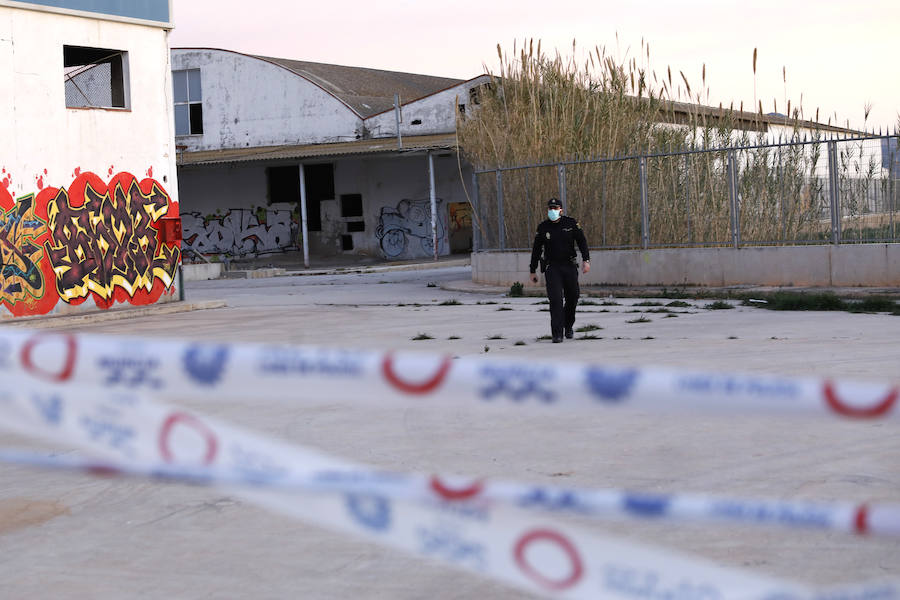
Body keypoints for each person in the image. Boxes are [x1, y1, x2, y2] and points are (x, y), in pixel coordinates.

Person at [529, 198, 590, 343]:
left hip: (569, 266)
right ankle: (557, 333)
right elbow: (536, 249)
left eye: (555, 208)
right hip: (552, 268)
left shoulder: (571, 223)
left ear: (561, 210)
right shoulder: (543, 227)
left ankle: (568, 326)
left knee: (573, 298)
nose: (552, 211)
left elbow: (582, 241)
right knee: (555, 300)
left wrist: (586, 261)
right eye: (550, 208)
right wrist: (533, 270)